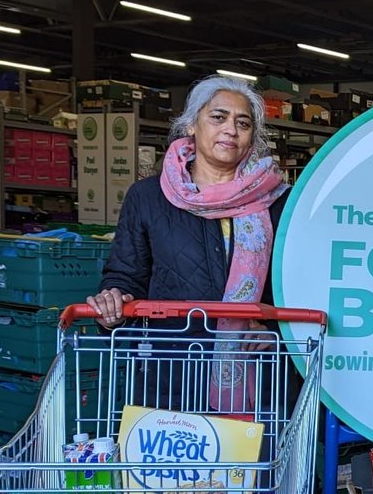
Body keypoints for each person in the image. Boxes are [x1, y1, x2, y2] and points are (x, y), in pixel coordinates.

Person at [86, 74, 291, 412]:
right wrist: (112, 302)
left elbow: (293, 284)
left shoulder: (277, 201)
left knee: (246, 464)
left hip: (256, 373)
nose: (230, 130)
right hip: (172, 370)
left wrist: (271, 328)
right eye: (218, 117)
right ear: (191, 125)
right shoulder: (149, 197)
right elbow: (126, 273)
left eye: (243, 122)